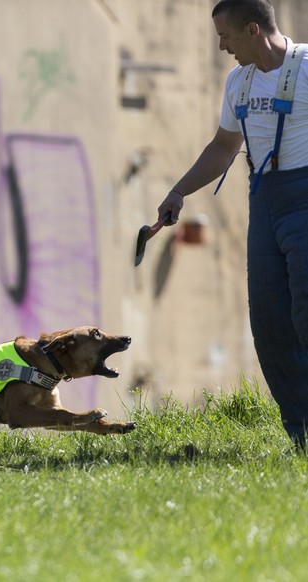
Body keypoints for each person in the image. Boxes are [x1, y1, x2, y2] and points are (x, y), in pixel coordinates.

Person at [156, 0, 308, 447]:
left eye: (225, 37)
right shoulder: (237, 82)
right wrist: (179, 190)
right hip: (265, 203)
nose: (221, 47)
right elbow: (224, 146)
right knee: (270, 320)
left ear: (254, 30)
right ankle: (301, 433)